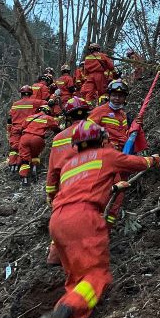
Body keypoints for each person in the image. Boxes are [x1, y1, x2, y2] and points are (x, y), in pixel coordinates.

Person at [36, 120, 160, 318]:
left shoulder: (68, 164)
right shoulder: (105, 154)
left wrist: (111, 188)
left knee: (76, 277)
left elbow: (82, 185)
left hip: (57, 221)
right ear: (101, 139)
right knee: (97, 276)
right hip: (83, 217)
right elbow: (136, 162)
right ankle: (58, 316)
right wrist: (154, 160)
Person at [45, 96, 92, 266]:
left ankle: (55, 256)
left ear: (68, 116)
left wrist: (51, 194)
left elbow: (52, 172)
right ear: (87, 114)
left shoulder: (59, 139)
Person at [7, 85, 48, 173]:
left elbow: (9, 118)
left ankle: (12, 166)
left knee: (14, 148)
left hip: (15, 128)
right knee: (25, 149)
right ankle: (27, 167)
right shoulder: (35, 102)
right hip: (27, 129)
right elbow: (46, 103)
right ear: (31, 93)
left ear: (21, 94)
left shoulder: (15, 104)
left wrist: (9, 130)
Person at [18, 104, 60, 186]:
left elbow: (22, 127)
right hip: (37, 139)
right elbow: (56, 128)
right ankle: (35, 171)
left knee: (25, 159)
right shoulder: (48, 118)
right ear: (48, 112)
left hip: (25, 138)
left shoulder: (30, 117)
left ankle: (25, 179)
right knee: (35, 156)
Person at [87, 80, 130, 150]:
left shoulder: (123, 115)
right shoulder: (99, 111)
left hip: (122, 152)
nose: (117, 98)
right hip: (104, 152)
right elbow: (88, 131)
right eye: (114, 95)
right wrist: (107, 144)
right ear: (109, 96)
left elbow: (125, 134)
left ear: (125, 98)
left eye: (121, 96)